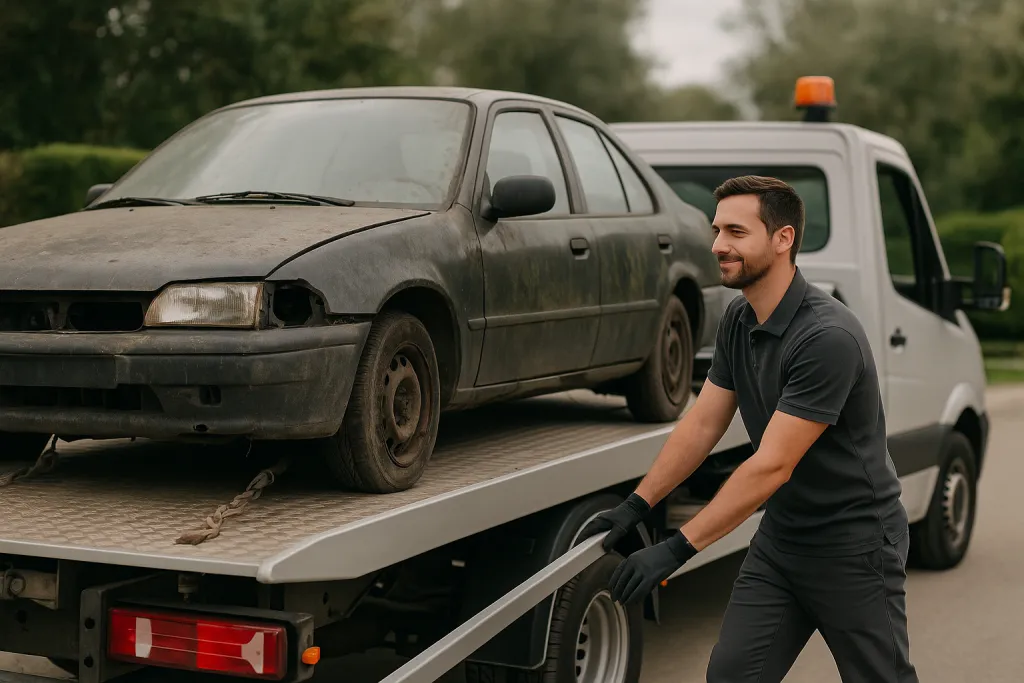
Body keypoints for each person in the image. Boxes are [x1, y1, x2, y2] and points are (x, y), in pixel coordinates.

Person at [578, 175, 918, 682]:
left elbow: (771, 465)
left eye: (736, 232)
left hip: (855, 544)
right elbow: (702, 424)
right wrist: (637, 505)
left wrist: (676, 548)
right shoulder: (739, 318)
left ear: (783, 239)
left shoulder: (826, 337)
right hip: (783, 540)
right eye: (717, 231)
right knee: (733, 676)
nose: (718, 245)